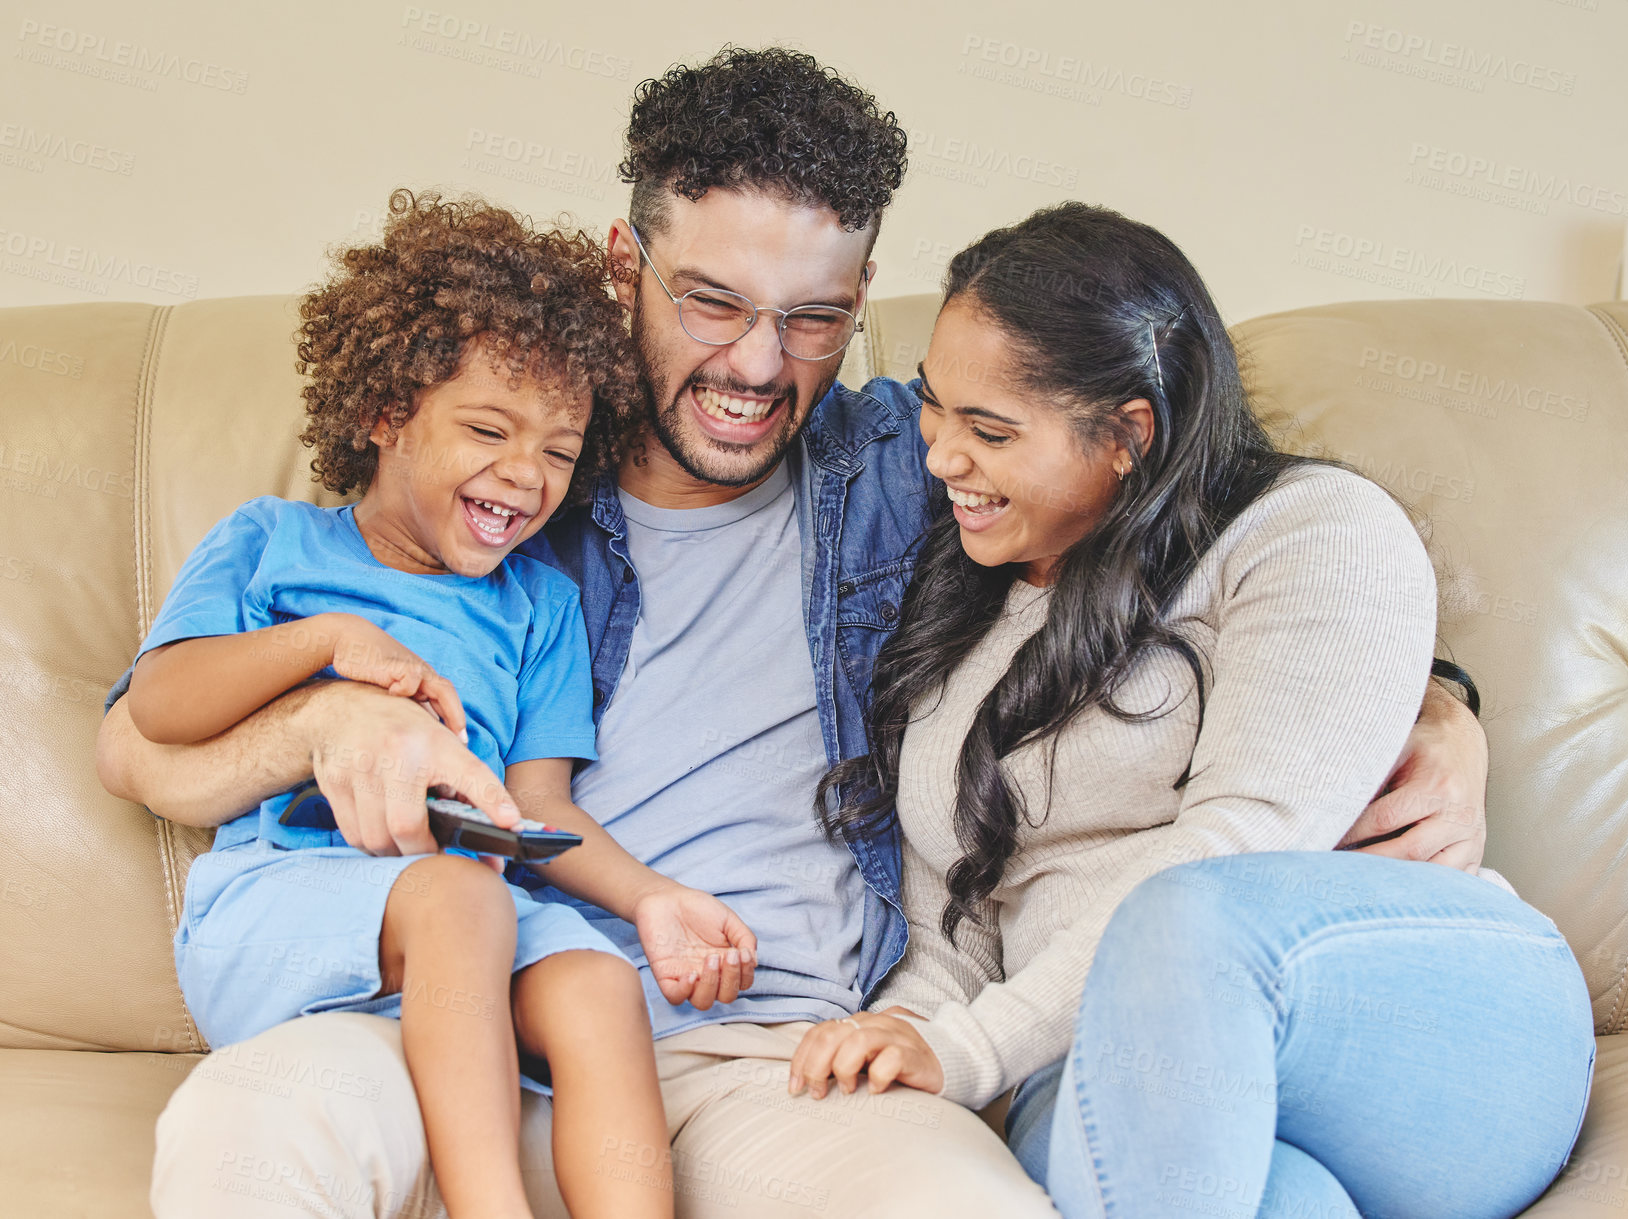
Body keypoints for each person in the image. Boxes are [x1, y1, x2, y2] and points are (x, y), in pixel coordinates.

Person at [97, 48, 1494, 1219]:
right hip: (445, 1016)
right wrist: (322, 715)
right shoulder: (501, 469)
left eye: (813, 317)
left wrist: (1428, 698)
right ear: (620, 262)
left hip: (778, 1052)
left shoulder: (915, 467)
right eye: (709, 301)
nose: (757, 366)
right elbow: (140, 733)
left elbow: (1185, 514)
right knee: (244, 1141)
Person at [785, 202, 1595, 1218]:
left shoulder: (1309, 532)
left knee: (1183, 916)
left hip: (1418, 1040)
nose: (941, 453)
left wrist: (969, 1050)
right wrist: (898, 1043)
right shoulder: (955, 597)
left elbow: (1244, 845)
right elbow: (949, 926)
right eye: (937, 408)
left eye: (989, 429)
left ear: (1129, 434)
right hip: (1113, 1075)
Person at [121, 191, 761, 1219]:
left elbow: (539, 805)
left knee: (600, 986)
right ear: (385, 415)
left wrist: (649, 899)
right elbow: (159, 704)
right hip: (284, 904)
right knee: (457, 898)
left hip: (469, 924)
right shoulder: (274, 544)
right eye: (488, 429)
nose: (525, 472)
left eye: (559, 449)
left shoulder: (537, 603)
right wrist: (327, 646)